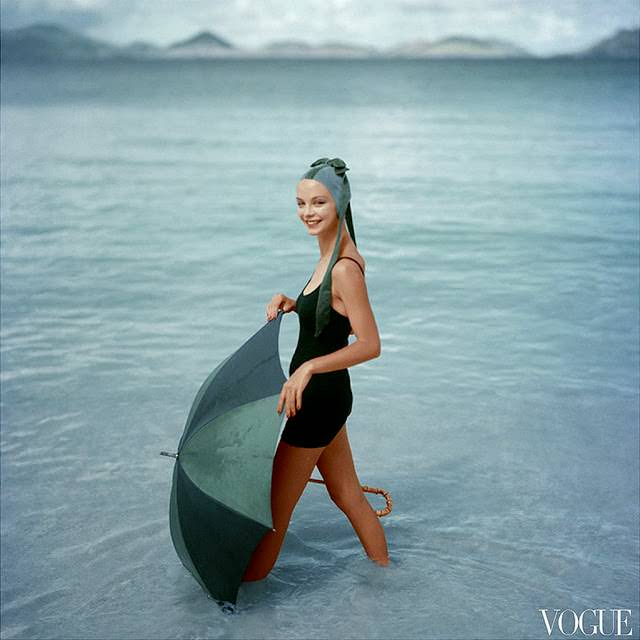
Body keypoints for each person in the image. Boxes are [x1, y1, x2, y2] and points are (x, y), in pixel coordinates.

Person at [242, 157, 389, 582]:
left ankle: (241, 608)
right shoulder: (329, 254)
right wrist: (294, 302)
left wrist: (306, 369)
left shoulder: (344, 268)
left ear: (339, 204)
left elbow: (370, 344)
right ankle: (387, 580)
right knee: (348, 495)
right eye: (300, 202)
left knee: (273, 514)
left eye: (319, 202)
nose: (307, 212)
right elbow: (330, 321)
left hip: (317, 401)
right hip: (327, 398)